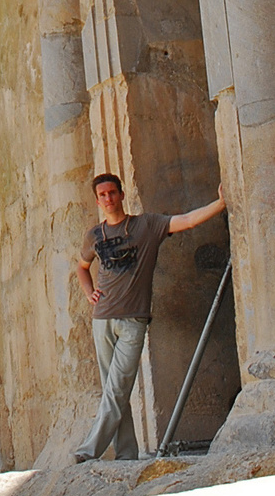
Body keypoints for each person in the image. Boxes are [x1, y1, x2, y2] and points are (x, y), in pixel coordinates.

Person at [74, 172, 226, 463]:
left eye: (112, 193)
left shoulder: (146, 225)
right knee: (114, 390)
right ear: (97, 200)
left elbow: (187, 220)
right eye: (102, 195)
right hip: (102, 319)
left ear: (121, 194)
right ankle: (127, 454)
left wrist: (219, 204)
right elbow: (81, 267)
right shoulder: (94, 235)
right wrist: (89, 292)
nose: (108, 199)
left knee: (117, 387)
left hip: (134, 319)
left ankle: (88, 450)